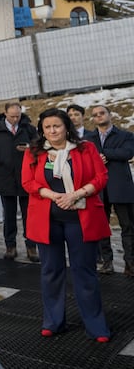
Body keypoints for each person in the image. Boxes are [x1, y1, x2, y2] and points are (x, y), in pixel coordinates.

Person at [21, 108, 110, 342]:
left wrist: (76, 194)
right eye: (47, 127)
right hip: (47, 219)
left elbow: (100, 178)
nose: (52, 131)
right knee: (51, 272)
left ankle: (96, 325)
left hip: (81, 220)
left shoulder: (86, 148)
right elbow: (27, 182)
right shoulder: (34, 152)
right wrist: (53, 195)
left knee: (85, 272)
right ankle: (53, 321)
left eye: (57, 126)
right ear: (42, 129)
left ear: (66, 127)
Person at [0, 101, 40, 262]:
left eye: (18, 116)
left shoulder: (28, 128)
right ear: (5, 114)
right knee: (9, 215)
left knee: (29, 214)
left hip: (26, 177)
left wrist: (29, 149)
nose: (15, 119)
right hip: (5, 176)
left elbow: (39, 147)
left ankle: (31, 247)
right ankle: (10, 246)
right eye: (12, 116)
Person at [85, 105, 134, 276]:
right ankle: (107, 262)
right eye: (95, 115)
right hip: (98, 188)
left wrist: (103, 154)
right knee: (101, 227)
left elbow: (127, 153)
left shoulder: (126, 135)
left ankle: (130, 263)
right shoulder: (88, 138)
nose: (99, 116)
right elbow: (84, 158)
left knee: (128, 227)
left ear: (109, 114)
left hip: (121, 187)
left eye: (102, 113)